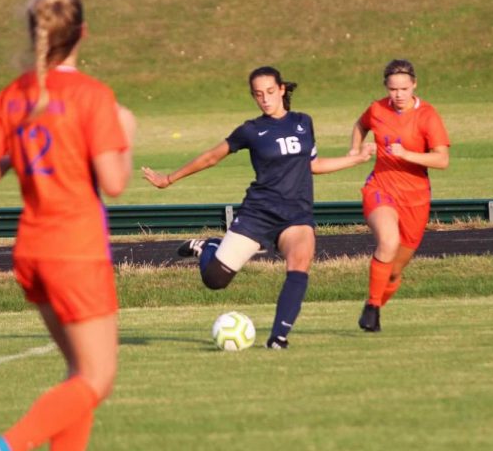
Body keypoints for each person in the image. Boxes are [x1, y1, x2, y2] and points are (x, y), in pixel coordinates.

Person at [0, 0, 135, 451]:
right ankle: (8, 446)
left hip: (32, 250)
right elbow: (115, 183)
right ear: (83, 33)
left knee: (78, 378)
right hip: (76, 250)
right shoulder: (92, 95)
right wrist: (124, 132)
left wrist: (16, 150)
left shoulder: (14, 94)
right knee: (98, 379)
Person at [142, 66, 375, 350]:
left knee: (300, 262)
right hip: (258, 213)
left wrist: (356, 159)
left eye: (268, 92)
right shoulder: (251, 130)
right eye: (257, 94)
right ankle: (207, 247)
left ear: (281, 89)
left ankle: (278, 338)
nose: (264, 98)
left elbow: (312, 166)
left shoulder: (304, 122)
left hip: (296, 215)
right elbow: (211, 157)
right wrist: (168, 179)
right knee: (215, 281)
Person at [350, 59, 450, 332]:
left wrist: (407, 154)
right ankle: (372, 305)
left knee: (394, 271)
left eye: (404, 88)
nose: (398, 95)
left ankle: (375, 307)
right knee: (388, 241)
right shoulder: (377, 109)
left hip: (416, 199)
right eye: (393, 89)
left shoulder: (428, 116)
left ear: (414, 85)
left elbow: (442, 160)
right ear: (386, 87)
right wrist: (356, 150)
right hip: (380, 188)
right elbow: (360, 125)